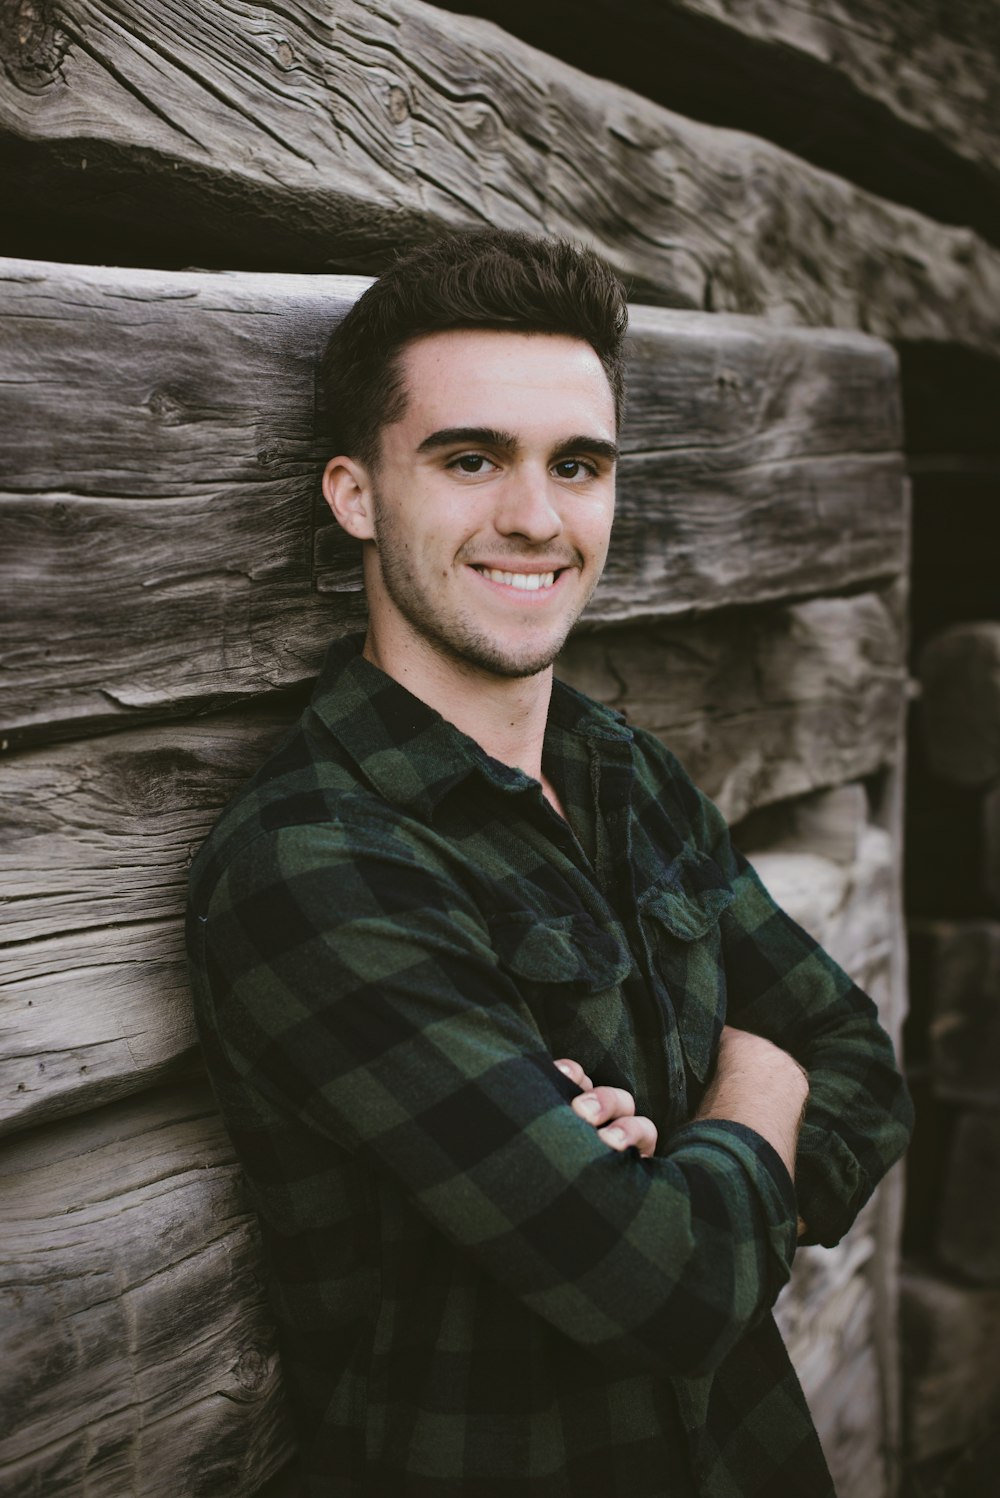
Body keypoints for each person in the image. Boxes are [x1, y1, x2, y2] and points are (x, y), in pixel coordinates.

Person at [186, 229, 913, 1496]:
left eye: (576, 464)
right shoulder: (316, 864)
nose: (534, 516)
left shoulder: (621, 771)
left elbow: (860, 1059)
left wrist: (686, 1172)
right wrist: (754, 1086)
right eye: (470, 459)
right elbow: (669, 1288)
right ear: (355, 493)